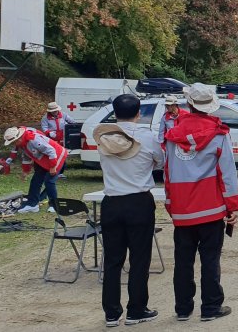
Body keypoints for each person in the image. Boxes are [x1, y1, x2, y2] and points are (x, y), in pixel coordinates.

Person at [164, 83, 238, 321]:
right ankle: (210, 308)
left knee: (183, 262)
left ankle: (183, 309)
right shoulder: (219, 134)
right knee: (210, 259)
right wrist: (233, 205)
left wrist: (170, 203)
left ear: (188, 104)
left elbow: (167, 172)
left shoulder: (172, 135)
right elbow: (227, 173)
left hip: (182, 208)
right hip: (211, 208)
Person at [94, 94, 165, 327]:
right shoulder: (147, 137)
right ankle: (136, 309)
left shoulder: (104, 137)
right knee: (139, 258)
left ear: (114, 113)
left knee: (113, 260)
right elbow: (161, 161)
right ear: (139, 113)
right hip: (139, 201)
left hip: (111, 201)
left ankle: (111, 313)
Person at [5, 125, 67, 213]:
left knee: (49, 181)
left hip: (57, 156)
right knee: (35, 180)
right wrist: (26, 171)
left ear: (19, 138)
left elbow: (51, 151)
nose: (13, 144)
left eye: (13, 142)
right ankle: (32, 204)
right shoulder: (22, 144)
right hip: (43, 159)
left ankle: (54, 205)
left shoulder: (33, 140)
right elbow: (26, 157)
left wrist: (53, 167)